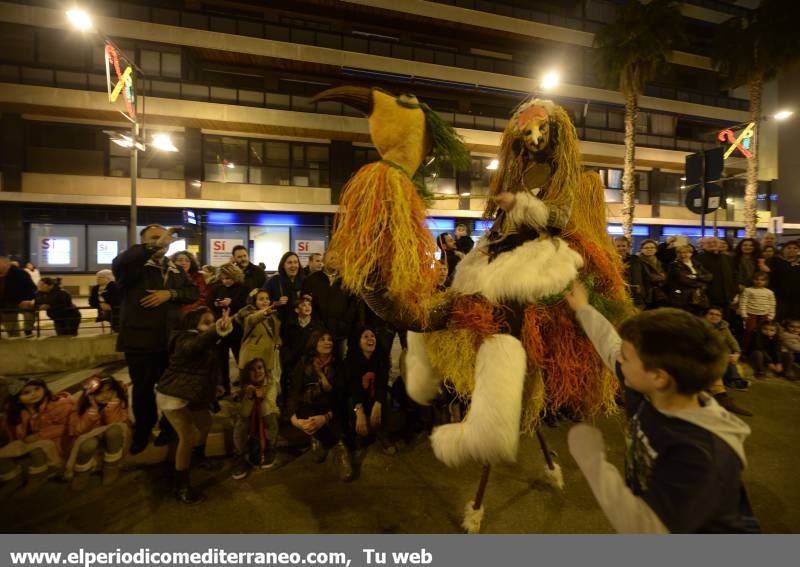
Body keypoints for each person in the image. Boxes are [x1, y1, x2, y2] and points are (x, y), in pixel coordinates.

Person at [565, 282, 755, 533]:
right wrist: (583, 308)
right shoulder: (646, 386)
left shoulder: (700, 454)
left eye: (627, 356)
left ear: (659, 377)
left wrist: (593, 462)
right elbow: (608, 343)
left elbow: (646, 528)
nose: (618, 359)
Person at [112, 224, 199, 455]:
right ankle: (143, 430)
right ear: (143, 242)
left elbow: (192, 293)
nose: (161, 242)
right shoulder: (133, 267)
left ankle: (169, 428)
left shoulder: (175, 269)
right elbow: (121, 262)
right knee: (142, 389)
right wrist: (153, 247)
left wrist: (170, 294)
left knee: (170, 389)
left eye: (164, 238)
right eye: (154, 238)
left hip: (170, 342)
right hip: (140, 342)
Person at [156, 307, 231, 504]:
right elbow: (195, 346)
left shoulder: (205, 339)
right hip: (172, 394)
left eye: (212, 322)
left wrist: (217, 386)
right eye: (206, 322)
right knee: (187, 435)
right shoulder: (183, 339)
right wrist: (215, 329)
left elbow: (211, 365)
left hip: (192, 394)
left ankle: (199, 458)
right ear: (193, 324)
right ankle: (180, 486)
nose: (211, 325)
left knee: (205, 423)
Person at [288, 330, 353, 481]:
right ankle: (316, 437)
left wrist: (325, 417)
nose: (327, 342)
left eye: (329, 339)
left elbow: (342, 396)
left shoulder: (338, 365)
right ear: (314, 343)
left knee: (335, 406)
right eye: (322, 340)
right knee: (307, 402)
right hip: (310, 408)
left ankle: (339, 447)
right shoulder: (304, 363)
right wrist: (295, 420)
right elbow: (294, 393)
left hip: (332, 408)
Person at [2, 379, 74, 495]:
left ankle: (37, 478)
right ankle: (12, 478)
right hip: (27, 442)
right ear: (17, 398)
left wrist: (40, 435)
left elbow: (68, 426)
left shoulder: (57, 405)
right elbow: (12, 430)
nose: (34, 394)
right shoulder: (17, 411)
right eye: (26, 392)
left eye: (37, 389)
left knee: (38, 450)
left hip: (57, 444)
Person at [67, 375, 129, 490]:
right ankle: (82, 474)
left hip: (111, 438)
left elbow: (118, 425)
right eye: (100, 393)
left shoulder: (118, 402)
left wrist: (111, 408)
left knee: (114, 430)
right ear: (90, 395)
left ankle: (111, 468)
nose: (106, 395)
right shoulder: (79, 407)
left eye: (110, 391)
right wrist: (92, 412)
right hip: (88, 438)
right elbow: (77, 431)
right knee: (89, 444)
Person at [301, 250, 357, 358]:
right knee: (317, 359)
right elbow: (306, 302)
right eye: (331, 258)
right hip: (318, 331)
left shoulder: (347, 280)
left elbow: (353, 304)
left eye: (337, 258)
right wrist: (316, 324)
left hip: (341, 331)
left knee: (339, 360)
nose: (335, 261)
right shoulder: (311, 280)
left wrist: (345, 323)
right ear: (324, 260)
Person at [232, 358, 280, 479]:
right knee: (241, 422)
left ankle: (270, 448)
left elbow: (269, 408)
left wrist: (261, 397)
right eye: (252, 369)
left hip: (267, 418)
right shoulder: (245, 387)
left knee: (270, 416)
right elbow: (244, 413)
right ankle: (240, 455)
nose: (257, 372)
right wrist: (249, 397)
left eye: (260, 368)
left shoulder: (271, 383)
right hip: (252, 421)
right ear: (247, 374)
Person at [207, 263, 248, 397]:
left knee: (241, 360)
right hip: (221, 328)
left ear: (235, 276)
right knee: (221, 360)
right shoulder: (217, 288)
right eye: (223, 278)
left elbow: (245, 307)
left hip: (237, 329)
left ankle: (245, 387)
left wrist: (232, 303)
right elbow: (210, 303)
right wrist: (217, 304)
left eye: (229, 278)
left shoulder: (242, 288)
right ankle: (224, 388)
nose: (226, 281)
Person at [703, 307, 751, 417]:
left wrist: (737, 353)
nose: (714, 316)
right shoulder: (698, 327)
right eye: (711, 313)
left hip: (714, 357)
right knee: (714, 363)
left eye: (717, 315)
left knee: (727, 360)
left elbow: (732, 342)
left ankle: (726, 392)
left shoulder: (723, 328)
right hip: (698, 356)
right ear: (705, 316)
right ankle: (722, 397)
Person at [347, 327, 389, 446]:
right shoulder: (351, 361)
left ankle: (381, 432)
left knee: (387, 398)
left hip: (375, 396)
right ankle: (360, 434)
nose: (370, 339)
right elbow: (352, 387)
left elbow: (383, 383)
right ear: (358, 342)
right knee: (351, 403)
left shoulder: (381, 358)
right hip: (358, 400)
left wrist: (378, 403)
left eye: (372, 336)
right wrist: (359, 411)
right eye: (365, 336)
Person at [281, 297, 323, 398]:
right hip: (293, 359)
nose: (307, 307)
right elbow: (286, 342)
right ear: (297, 310)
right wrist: (287, 357)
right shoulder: (290, 325)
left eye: (309, 305)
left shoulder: (317, 325)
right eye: (304, 305)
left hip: (310, 359)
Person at [236, 289, 281, 383]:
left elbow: (275, 334)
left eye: (267, 298)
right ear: (254, 301)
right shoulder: (248, 315)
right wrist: (263, 313)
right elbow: (252, 319)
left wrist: (278, 343)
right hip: (252, 360)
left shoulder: (272, 316)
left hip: (267, 358)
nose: (265, 301)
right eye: (261, 299)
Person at [695, 237, 736, 321]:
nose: (712, 244)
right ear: (704, 245)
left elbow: (734, 276)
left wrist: (734, 292)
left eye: (715, 242)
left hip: (726, 297)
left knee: (725, 321)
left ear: (720, 244)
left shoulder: (728, 258)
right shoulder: (698, 259)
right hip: (708, 297)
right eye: (709, 243)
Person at [666, 245, 712, 314]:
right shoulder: (674, 265)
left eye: (686, 252)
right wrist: (702, 284)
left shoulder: (696, 263)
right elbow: (684, 280)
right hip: (682, 298)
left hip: (698, 296)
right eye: (680, 253)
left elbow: (709, 276)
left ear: (691, 253)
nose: (683, 255)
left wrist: (697, 277)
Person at [0, 255, 36, 339]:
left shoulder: (20, 274)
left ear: (6, 264)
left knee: (13, 332)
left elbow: (31, 289)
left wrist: (25, 300)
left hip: (10, 307)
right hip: (5, 305)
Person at [738, 271, 775, 351]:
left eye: (762, 280)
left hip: (764, 315)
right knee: (749, 332)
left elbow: (772, 304)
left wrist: (771, 316)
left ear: (766, 281)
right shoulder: (748, 290)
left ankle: (758, 349)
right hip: (751, 314)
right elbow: (743, 302)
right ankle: (745, 349)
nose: (759, 281)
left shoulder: (769, 292)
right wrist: (744, 314)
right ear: (753, 280)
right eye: (757, 279)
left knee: (762, 333)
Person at [264, 252, 305, 324]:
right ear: (283, 265)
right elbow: (261, 302)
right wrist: (276, 303)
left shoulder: (304, 281)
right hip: (279, 324)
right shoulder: (273, 281)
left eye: (296, 262)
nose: (293, 265)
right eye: (289, 262)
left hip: (300, 324)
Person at [768, 240, 800, 321]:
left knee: (795, 319)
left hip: (797, 297)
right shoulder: (775, 260)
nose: (792, 250)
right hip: (779, 296)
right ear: (783, 249)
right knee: (778, 318)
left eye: (795, 248)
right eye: (789, 248)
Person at [636, 240, 667, 310]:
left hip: (658, 293)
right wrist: (662, 277)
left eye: (652, 247)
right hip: (645, 294)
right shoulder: (638, 261)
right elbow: (649, 277)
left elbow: (665, 275)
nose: (650, 249)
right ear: (641, 250)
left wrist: (662, 277)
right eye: (646, 248)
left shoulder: (658, 261)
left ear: (656, 250)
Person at [614, 237, 644, 307]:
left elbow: (639, 277)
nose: (621, 248)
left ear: (628, 247)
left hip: (635, 294)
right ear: (614, 247)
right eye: (618, 246)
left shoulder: (635, 259)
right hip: (618, 294)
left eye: (623, 246)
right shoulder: (611, 259)